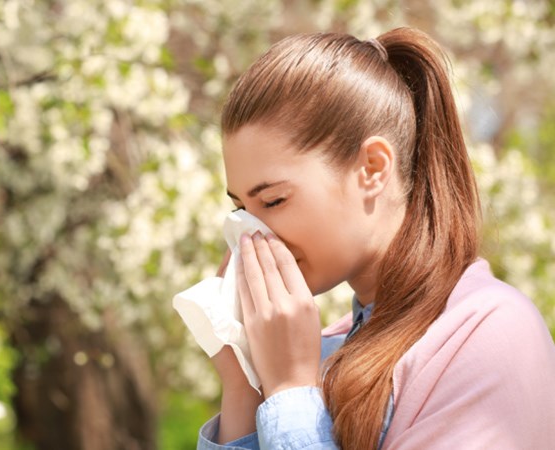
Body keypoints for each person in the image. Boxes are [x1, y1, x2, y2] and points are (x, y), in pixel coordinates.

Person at [195, 27, 555, 449]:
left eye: (273, 201)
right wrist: (246, 384)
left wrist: (291, 392)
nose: (251, 235)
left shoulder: (486, 333)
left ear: (372, 168)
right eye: (241, 210)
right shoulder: (328, 349)